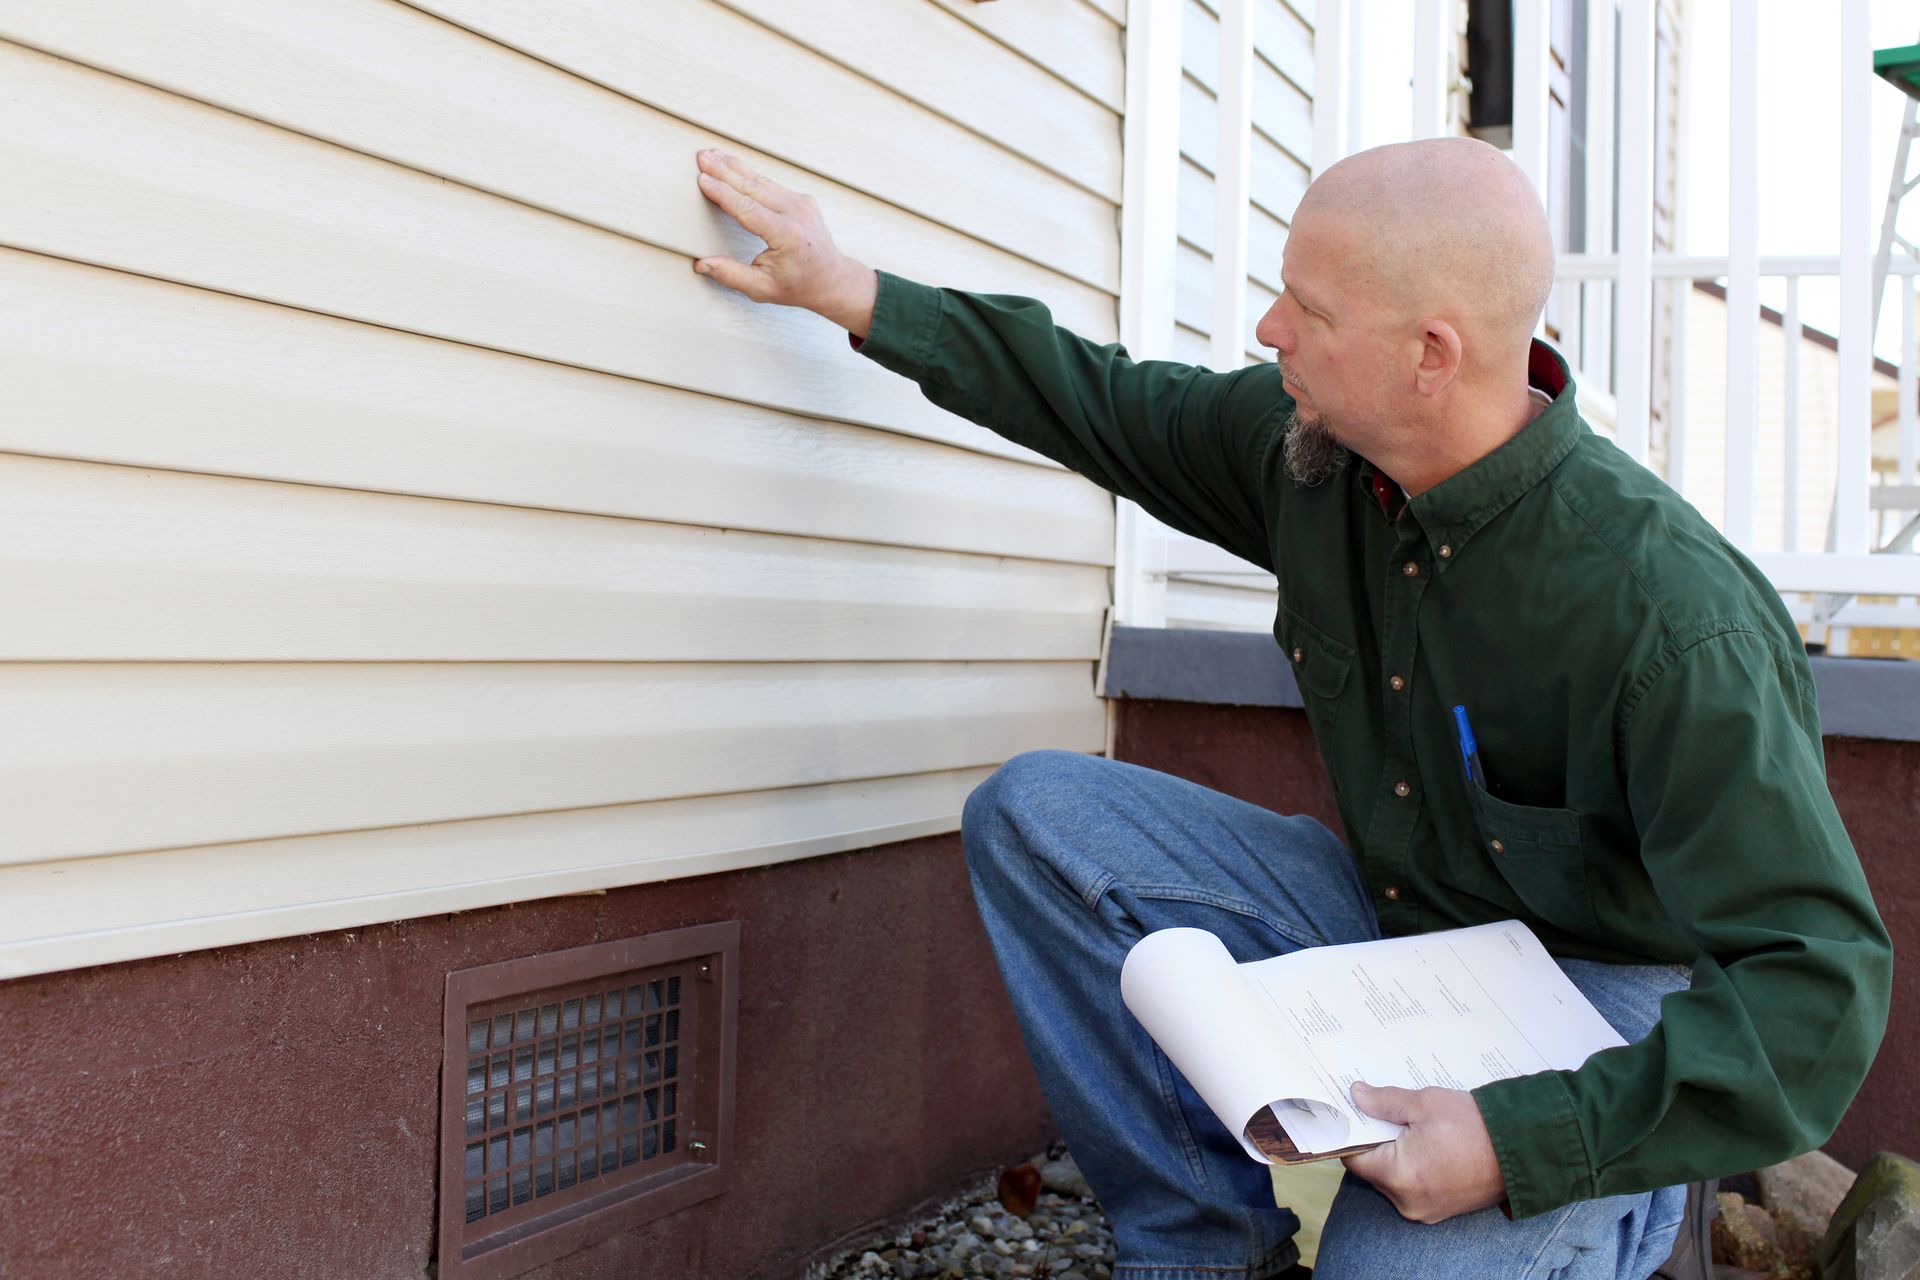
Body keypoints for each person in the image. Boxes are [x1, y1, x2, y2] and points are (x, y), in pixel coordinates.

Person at [691, 138, 1891, 1279]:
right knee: (1041, 815)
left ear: (1432, 352)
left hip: (1596, 1004)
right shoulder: (1315, 461)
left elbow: (1816, 987)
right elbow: (1099, 398)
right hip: (1392, 933)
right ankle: (1209, 1244)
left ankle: (1616, 1213)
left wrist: (1517, 1140)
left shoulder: (1672, 617)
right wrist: (850, 290)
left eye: (1306, 311)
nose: (1269, 332)